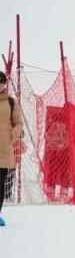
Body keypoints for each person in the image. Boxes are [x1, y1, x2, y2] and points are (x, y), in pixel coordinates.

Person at [0, 72, 23, 226]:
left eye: (2, 82)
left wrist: (11, 136)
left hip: (3, 150)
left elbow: (18, 123)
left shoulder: (10, 102)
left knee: (0, 184)